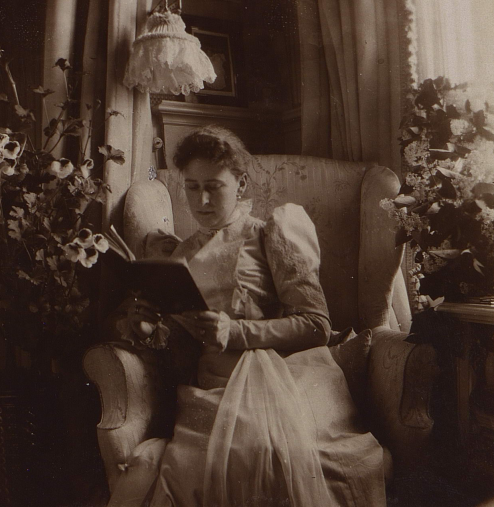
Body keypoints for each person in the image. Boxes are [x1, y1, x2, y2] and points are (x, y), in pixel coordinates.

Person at [109, 125, 386, 507]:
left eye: (214, 186)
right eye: (191, 186)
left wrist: (235, 331)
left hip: (286, 375)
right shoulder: (179, 254)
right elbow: (180, 344)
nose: (202, 200)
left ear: (240, 184)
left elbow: (317, 325)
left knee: (265, 452)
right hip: (212, 387)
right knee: (196, 466)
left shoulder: (270, 234)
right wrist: (146, 326)